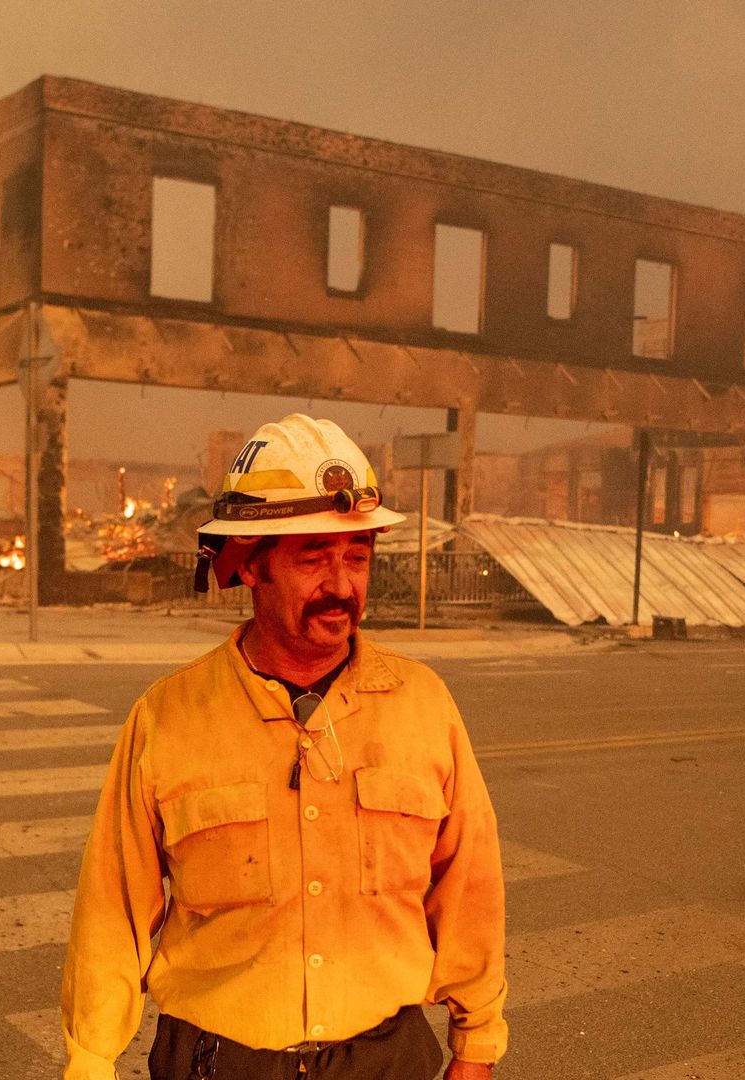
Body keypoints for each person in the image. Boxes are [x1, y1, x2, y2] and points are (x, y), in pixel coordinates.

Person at [61, 414, 507, 1080]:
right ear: (253, 566)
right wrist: (90, 1063)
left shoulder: (423, 705)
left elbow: (469, 886)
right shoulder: (169, 717)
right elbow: (111, 912)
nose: (342, 584)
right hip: (217, 1063)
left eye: (356, 556)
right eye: (313, 557)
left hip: (387, 1060)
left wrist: (476, 1046)